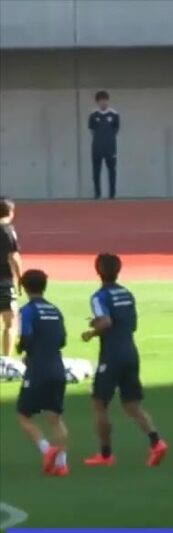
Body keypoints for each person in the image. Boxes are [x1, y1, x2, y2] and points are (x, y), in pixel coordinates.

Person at [81, 253, 169, 467]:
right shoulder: (127, 294)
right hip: (130, 351)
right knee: (132, 404)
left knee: (99, 403)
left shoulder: (99, 296)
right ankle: (156, 442)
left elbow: (107, 322)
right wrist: (101, 324)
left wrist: (91, 332)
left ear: (98, 270)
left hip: (112, 355)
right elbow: (130, 323)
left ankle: (105, 454)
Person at [14, 269, 70, 477]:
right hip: (57, 367)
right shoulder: (55, 310)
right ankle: (63, 464)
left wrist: (22, 349)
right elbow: (62, 340)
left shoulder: (28, 310)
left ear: (24, 287)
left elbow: (26, 336)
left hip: (38, 369)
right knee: (55, 418)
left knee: (24, 415)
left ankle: (48, 451)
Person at [0, 196, 22, 360]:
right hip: (4, 280)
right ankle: (6, 360)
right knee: (10, 321)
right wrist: (20, 278)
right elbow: (13, 256)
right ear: (11, 212)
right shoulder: (8, 230)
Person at [88, 91, 120, 200]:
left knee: (112, 170)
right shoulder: (93, 114)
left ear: (108, 101)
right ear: (97, 102)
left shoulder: (114, 114)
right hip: (97, 148)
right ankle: (97, 193)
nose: (103, 103)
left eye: (105, 100)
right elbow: (91, 130)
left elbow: (116, 129)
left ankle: (112, 194)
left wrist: (108, 138)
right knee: (96, 171)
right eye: (101, 101)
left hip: (110, 147)